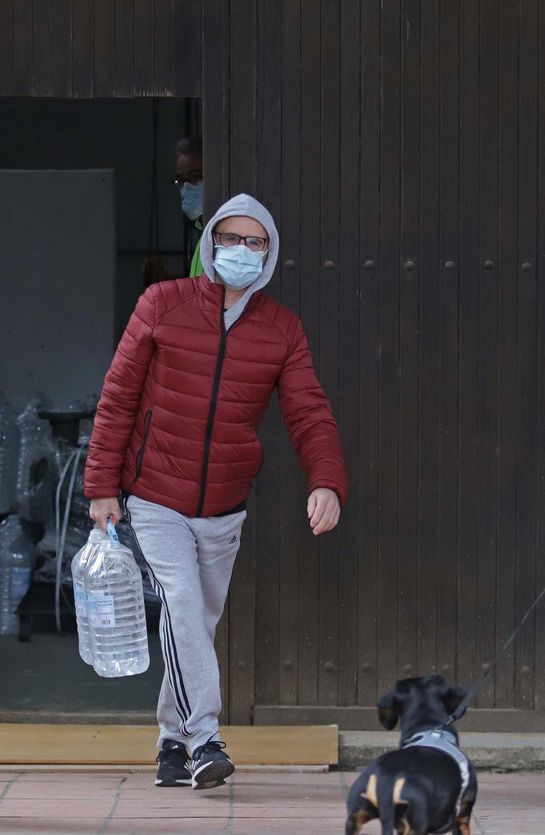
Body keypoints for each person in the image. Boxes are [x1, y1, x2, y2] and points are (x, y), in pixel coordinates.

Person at [86, 193, 347, 790]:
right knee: (180, 606)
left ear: (270, 253)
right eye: (230, 238)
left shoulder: (281, 328)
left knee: (193, 626)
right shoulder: (163, 303)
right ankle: (206, 739)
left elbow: (309, 412)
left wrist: (327, 480)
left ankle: (170, 748)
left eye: (255, 242)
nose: (242, 251)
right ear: (210, 246)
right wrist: (101, 487)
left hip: (225, 504)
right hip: (153, 495)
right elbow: (119, 395)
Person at [176, 135, 205, 277]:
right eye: (181, 181)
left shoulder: (230, 238)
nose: (186, 188)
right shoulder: (206, 237)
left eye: (195, 177)